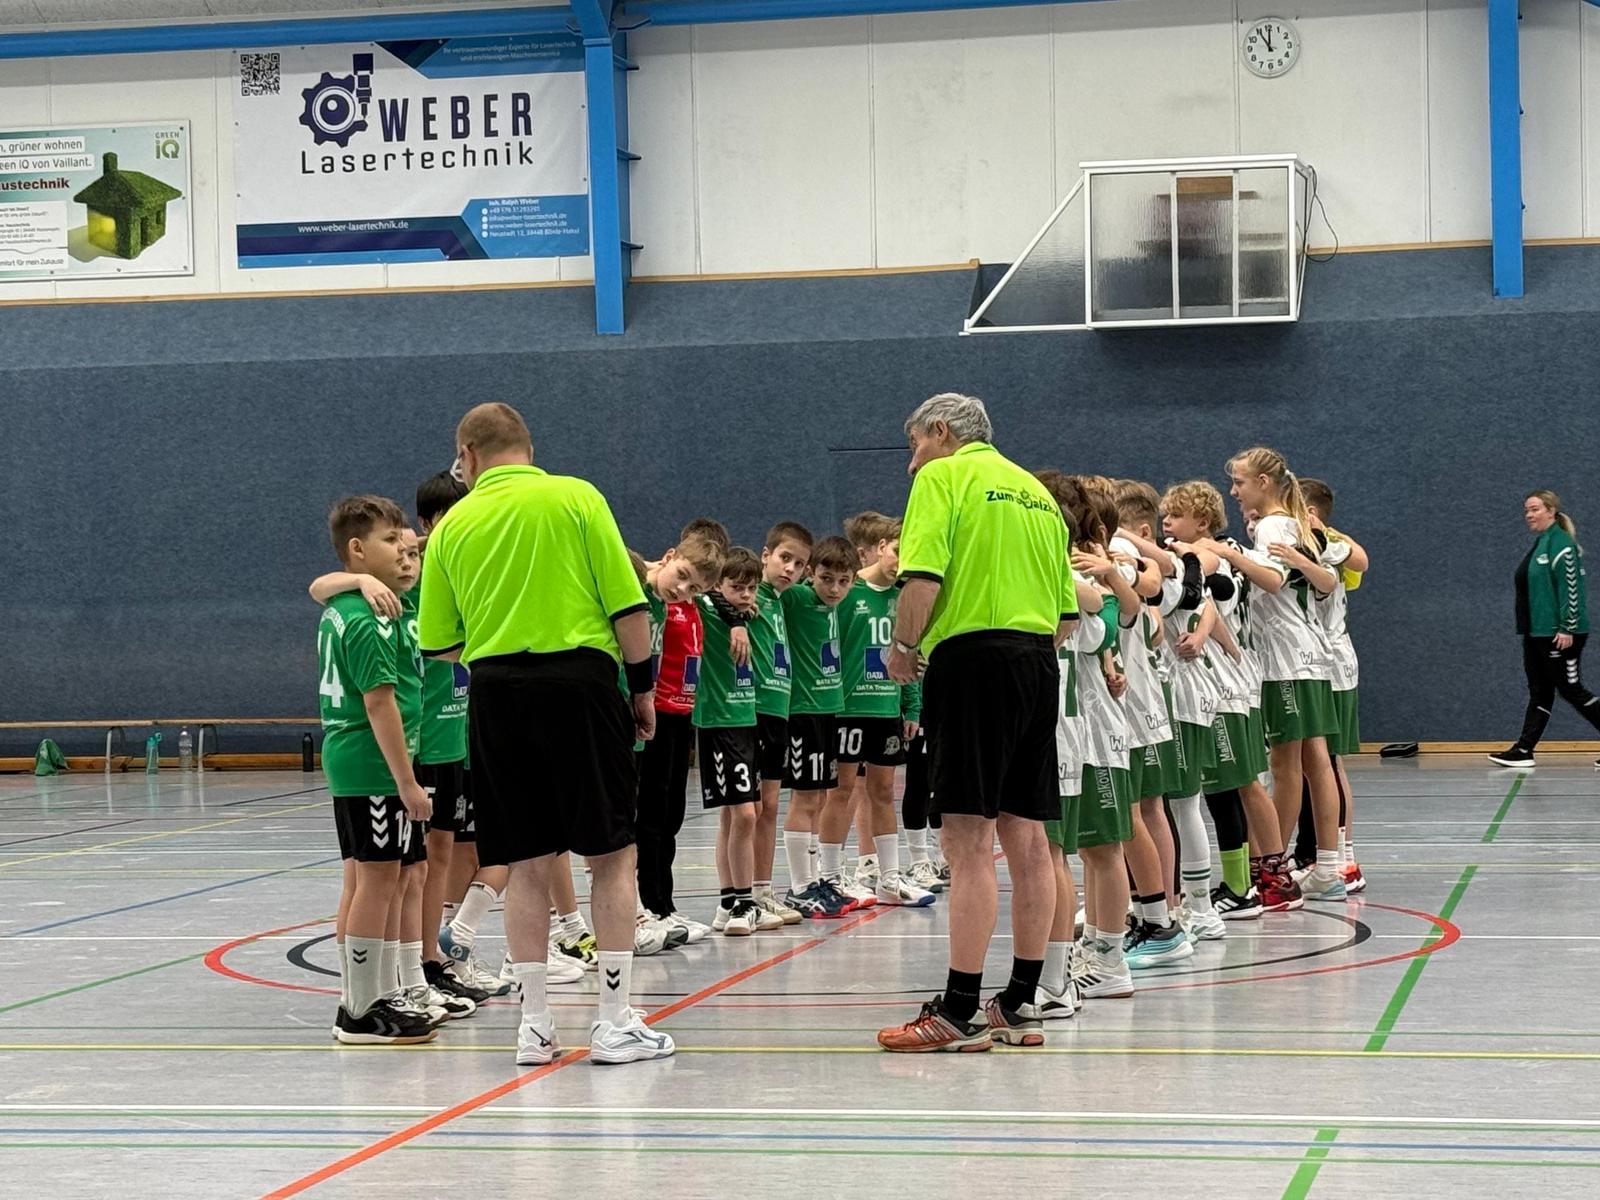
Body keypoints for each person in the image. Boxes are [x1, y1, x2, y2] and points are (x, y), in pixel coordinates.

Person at [417, 402, 673, 1067]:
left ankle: (534, 1027)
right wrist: (641, 689)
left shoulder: (452, 526)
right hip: (581, 687)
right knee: (612, 855)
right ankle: (613, 1021)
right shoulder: (577, 498)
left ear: (467, 455)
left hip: (495, 693)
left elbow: (438, 641)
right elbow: (629, 607)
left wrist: (500, 651)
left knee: (527, 861)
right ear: (527, 448)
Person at [877, 393, 1077, 1053]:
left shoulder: (945, 476)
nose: (912, 464)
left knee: (966, 841)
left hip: (971, 663)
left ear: (940, 431)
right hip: (1037, 664)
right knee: (1029, 837)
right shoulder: (1037, 495)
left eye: (914, 445)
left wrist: (904, 650)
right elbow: (1067, 615)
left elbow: (922, 580)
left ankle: (959, 1011)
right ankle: (1021, 1003)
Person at [317, 496, 436, 1045]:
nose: (404, 553)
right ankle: (360, 1011)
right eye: (391, 542)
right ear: (357, 550)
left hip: (361, 762)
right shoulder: (366, 620)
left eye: (408, 545)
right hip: (372, 764)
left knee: (375, 879)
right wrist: (406, 782)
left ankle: (373, 994)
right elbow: (379, 702)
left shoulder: (355, 605)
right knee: (378, 881)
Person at [1204, 447, 1345, 903]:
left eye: (1239, 482)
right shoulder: (1295, 523)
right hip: (1310, 654)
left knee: (1286, 767)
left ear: (1263, 482)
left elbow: (1273, 580)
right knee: (1316, 760)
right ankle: (1328, 865)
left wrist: (1228, 553)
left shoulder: (1271, 525)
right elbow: (1332, 575)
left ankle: (1273, 869)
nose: (1233, 491)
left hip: (1286, 657)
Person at [830, 516, 934, 906]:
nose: (902, 562)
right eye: (897, 552)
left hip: (886, 707)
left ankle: (889, 878)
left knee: (884, 791)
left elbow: (911, 655)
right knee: (841, 791)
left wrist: (912, 706)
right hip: (846, 709)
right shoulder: (846, 591)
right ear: (880, 547)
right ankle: (831, 875)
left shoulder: (905, 595)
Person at [637, 518, 731, 931]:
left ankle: (666, 903)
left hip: (681, 716)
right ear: (671, 556)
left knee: (673, 813)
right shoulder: (656, 598)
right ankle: (649, 905)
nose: (683, 589)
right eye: (682, 577)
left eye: (694, 587)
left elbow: (730, 601)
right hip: (654, 715)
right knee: (651, 813)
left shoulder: (696, 605)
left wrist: (738, 623)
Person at [694, 548, 778, 936]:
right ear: (719, 585)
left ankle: (729, 902)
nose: (745, 595)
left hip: (748, 720)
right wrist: (732, 617)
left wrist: (742, 614)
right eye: (736, 587)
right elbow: (699, 593)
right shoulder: (709, 609)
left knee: (737, 814)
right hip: (718, 722)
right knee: (744, 814)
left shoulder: (750, 613)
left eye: (751, 588)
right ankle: (744, 901)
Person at [782, 536, 866, 915]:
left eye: (843, 581)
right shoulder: (798, 598)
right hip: (802, 709)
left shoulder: (836, 605)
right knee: (804, 799)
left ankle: (814, 880)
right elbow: (766, 593)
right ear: (810, 572)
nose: (834, 589)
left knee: (818, 799)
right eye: (826, 579)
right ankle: (800, 886)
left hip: (828, 709)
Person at [1492, 489, 1600, 769]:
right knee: (1540, 691)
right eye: (1526, 510)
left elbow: (1572, 589)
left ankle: (1524, 748)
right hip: (1536, 632)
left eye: (1535, 509)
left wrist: (1567, 627)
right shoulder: (1542, 543)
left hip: (1560, 633)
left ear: (1551, 511)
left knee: (1571, 689)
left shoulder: (1561, 544)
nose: (1529, 515)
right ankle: (1523, 750)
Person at [748, 522, 812, 923]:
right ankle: (738, 896)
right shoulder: (745, 594)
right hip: (749, 710)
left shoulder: (784, 601)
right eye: (784, 558)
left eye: (799, 564)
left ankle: (762, 890)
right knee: (746, 809)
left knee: (770, 805)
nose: (790, 568)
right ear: (765, 555)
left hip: (779, 710)